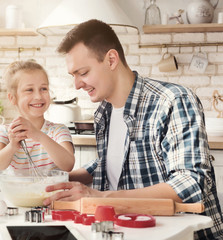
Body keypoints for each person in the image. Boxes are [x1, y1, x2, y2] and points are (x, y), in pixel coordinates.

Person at [42, 19, 223, 239]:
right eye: (74, 76)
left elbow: (190, 185)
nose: (77, 85)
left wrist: (98, 197)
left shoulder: (172, 101)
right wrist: (61, 179)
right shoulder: (104, 113)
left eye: (83, 72)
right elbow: (112, 162)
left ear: (111, 59)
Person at [0, 60, 75, 174]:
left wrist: (39, 135)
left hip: (52, 192)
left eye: (44, 89)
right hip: (16, 192)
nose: (38, 96)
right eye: (29, 90)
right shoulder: (5, 132)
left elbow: (68, 165)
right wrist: (12, 146)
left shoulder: (58, 131)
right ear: (12, 98)